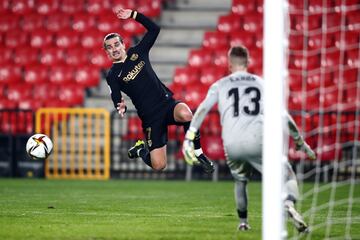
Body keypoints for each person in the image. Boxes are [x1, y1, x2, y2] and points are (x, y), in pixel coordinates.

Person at [182, 45, 316, 232]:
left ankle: (243, 222)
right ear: (248, 62)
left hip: (232, 144)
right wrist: (299, 141)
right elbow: (284, 116)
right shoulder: (261, 84)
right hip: (258, 140)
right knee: (287, 175)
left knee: (240, 181)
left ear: (229, 65)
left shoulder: (220, 85)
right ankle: (287, 203)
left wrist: (189, 137)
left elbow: (203, 109)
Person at [103, 8, 214, 173]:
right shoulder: (112, 75)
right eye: (110, 47)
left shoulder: (138, 52)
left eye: (117, 44)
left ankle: (198, 153)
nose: (114, 48)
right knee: (159, 165)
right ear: (107, 53)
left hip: (166, 104)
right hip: (150, 118)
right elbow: (115, 95)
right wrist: (120, 105)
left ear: (123, 44)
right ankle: (141, 150)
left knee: (186, 114)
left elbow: (155, 29)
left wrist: (134, 15)